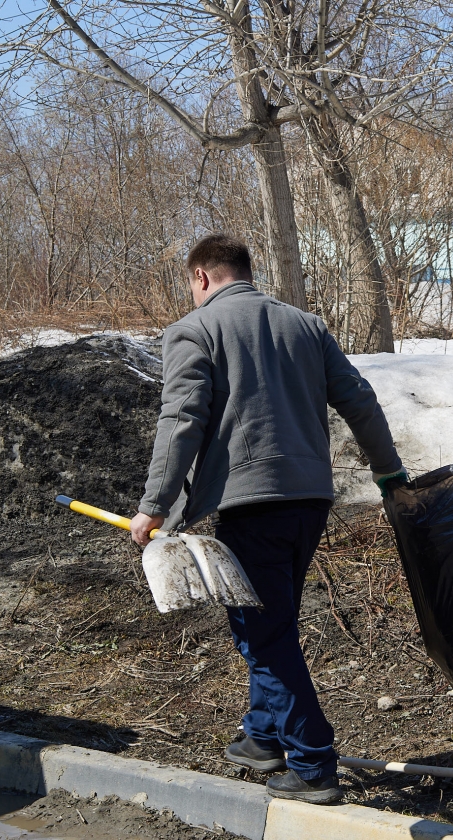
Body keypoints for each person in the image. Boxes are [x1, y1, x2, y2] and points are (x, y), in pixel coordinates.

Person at [129, 234, 406, 803]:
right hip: (310, 499)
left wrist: (153, 505)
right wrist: (388, 473)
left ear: (202, 277)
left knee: (263, 635)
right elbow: (360, 399)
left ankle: (311, 764)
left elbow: (182, 417)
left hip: (252, 504)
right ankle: (262, 738)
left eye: (191, 284)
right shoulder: (306, 326)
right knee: (271, 618)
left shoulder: (195, 330)